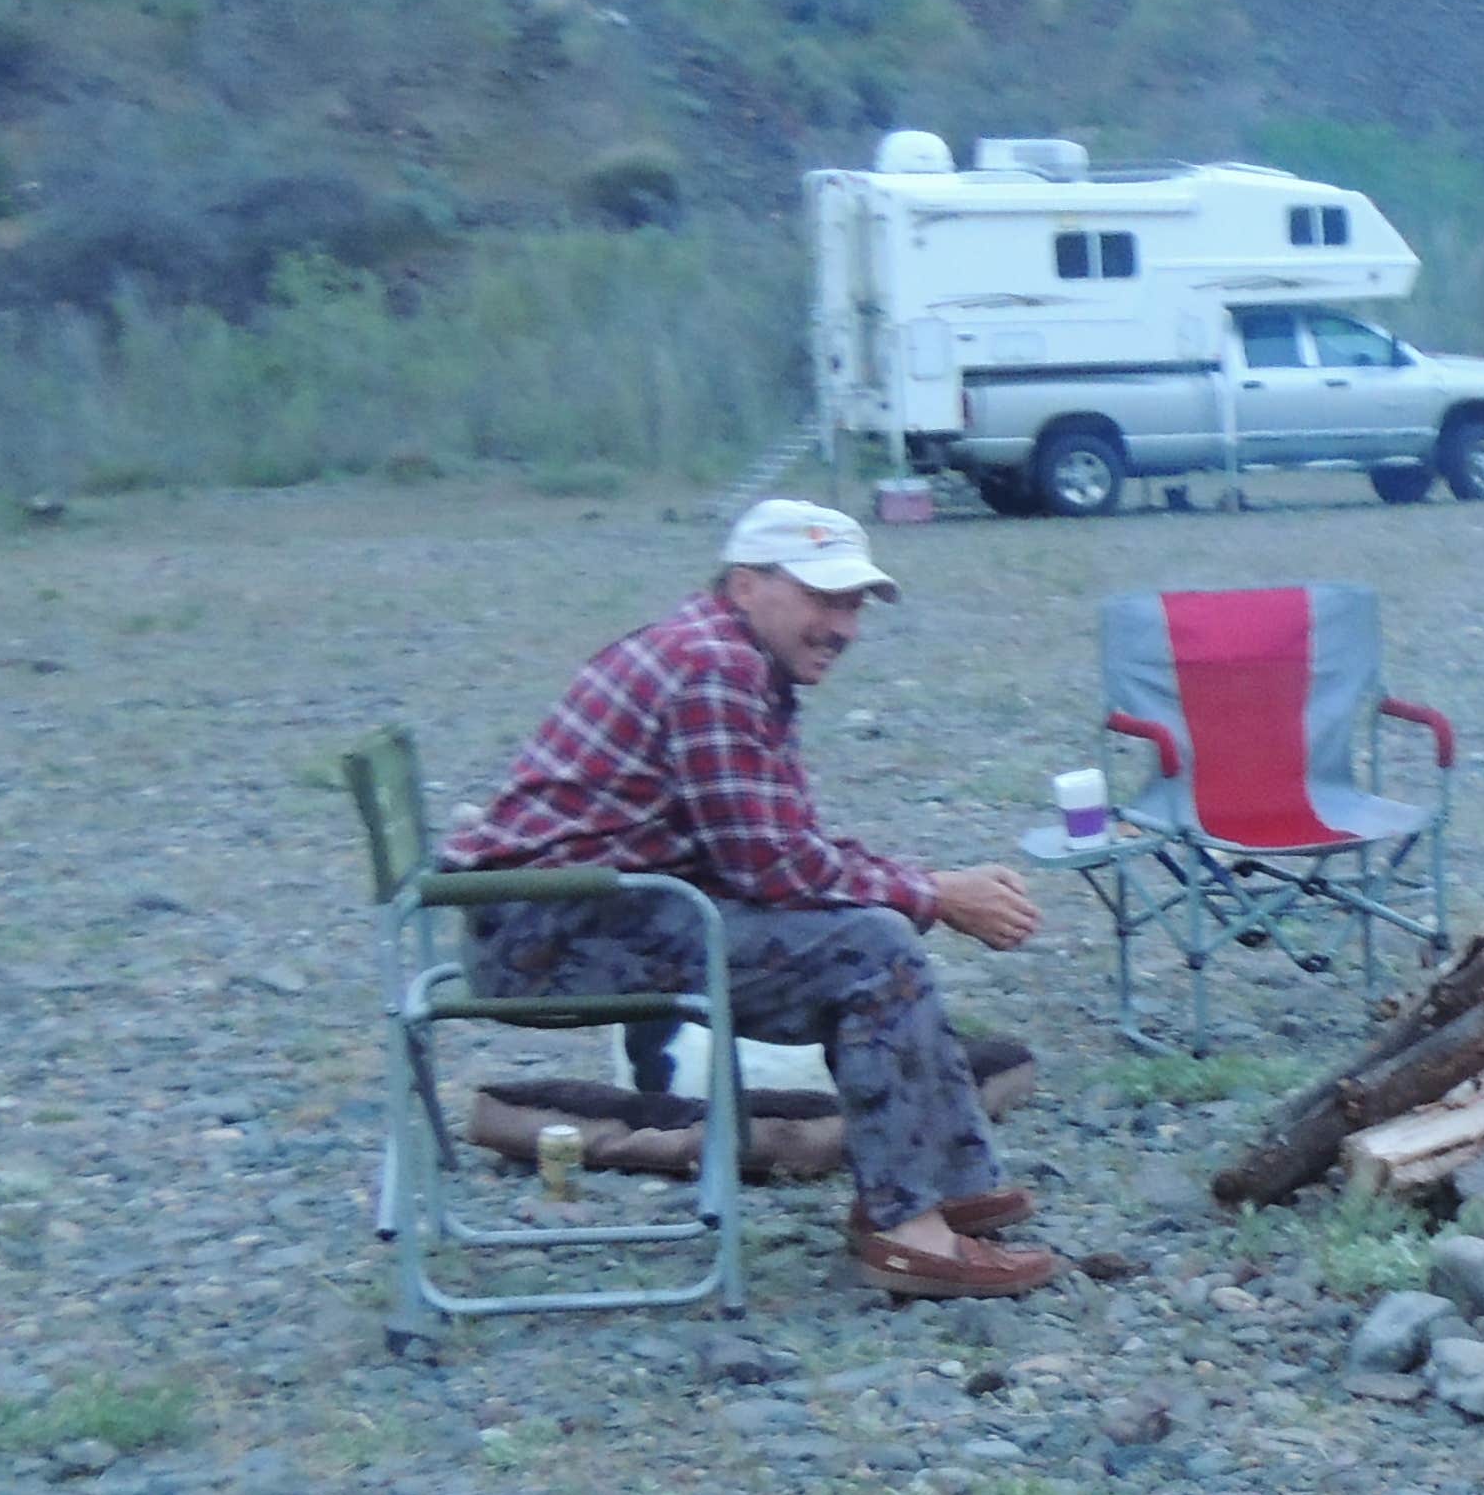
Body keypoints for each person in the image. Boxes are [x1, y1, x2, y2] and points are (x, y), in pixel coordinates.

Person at [449, 498, 1060, 1301]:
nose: (843, 625)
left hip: (581, 911)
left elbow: (783, 844)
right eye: (823, 598)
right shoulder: (717, 669)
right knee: (872, 950)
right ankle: (907, 1230)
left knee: (866, 930)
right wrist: (937, 895)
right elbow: (773, 867)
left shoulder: (724, 656)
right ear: (746, 585)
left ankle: (939, 1178)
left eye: (853, 604)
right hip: (556, 932)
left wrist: (915, 884)